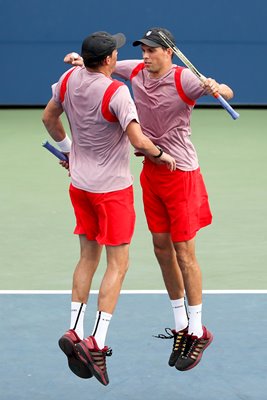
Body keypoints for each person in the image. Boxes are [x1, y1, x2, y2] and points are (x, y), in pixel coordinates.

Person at [64, 27, 234, 372]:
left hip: (182, 174)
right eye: (143, 49)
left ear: (168, 52)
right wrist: (82, 62)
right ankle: (181, 324)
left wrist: (217, 87)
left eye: (152, 50)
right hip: (152, 172)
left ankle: (199, 329)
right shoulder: (136, 71)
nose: (145, 55)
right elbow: (104, 68)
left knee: (185, 252)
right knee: (160, 248)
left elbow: (227, 91)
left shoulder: (185, 80)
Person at [42, 30, 176, 386]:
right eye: (115, 53)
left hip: (80, 186)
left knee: (88, 256)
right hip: (113, 191)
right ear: (108, 61)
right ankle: (97, 342)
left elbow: (49, 119)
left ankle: (74, 330)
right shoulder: (117, 94)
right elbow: (138, 140)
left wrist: (70, 151)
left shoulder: (69, 78)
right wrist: (163, 156)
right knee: (119, 264)